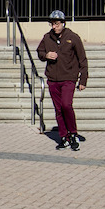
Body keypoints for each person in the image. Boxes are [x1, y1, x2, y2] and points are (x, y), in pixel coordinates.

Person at [36, 10, 87, 150]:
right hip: (53, 79)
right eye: (52, 24)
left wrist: (83, 80)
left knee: (66, 105)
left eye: (57, 24)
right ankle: (63, 136)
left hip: (68, 78)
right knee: (58, 109)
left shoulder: (73, 37)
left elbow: (82, 59)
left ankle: (73, 134)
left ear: (63, 23)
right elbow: (39, 52)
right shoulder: (47, 38)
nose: (54, 27)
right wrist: (46, 55)